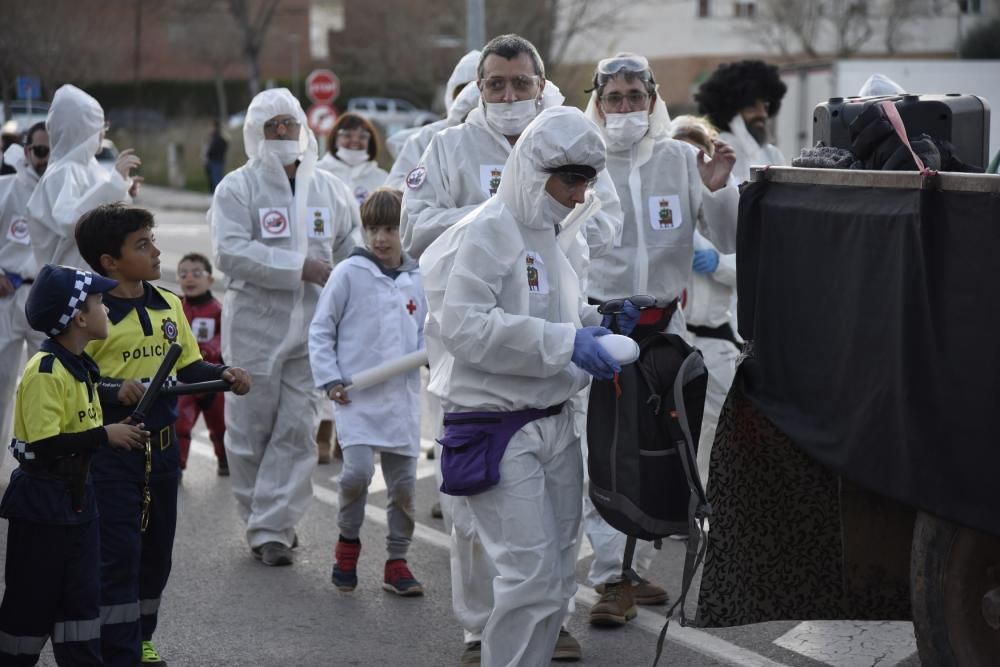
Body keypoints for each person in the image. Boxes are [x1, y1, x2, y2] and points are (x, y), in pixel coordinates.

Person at [404, 34, 622, 664]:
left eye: (588, 181)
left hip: (552, 419)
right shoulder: (487, 231)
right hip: (500, 425)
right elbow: (467, 327)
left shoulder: (554, 229)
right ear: (536, 170)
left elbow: (555, 311)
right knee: (525, 579)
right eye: (573, 181)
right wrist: (566, 341)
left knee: (554, 578)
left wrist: (599, 320)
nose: (582, 194)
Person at [581, 53, 738, 628]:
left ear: (652, 98)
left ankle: (631, 565)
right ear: (598, 101)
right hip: (601, 329)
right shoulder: (582, 160)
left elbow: (726, 236)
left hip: (664, 332)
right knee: (605, 449)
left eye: (634, 96)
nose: (625, 108)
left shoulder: (679, 159)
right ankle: (608, 577)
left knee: (655, 452)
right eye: (614, 98)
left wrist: (717, 190)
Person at [75, 203, 251, 667]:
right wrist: (115, 390)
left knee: (156, 557)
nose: (156, 252)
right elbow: (69, 376)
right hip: (113, 454)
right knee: (118, 556)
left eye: (153, 240)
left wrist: (224, 371)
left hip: (164, 455)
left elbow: (190, 364)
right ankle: (119, 650)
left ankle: (141, 636)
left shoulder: (169, 303)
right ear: (109, 262)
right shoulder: (91, 312)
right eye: (142, 244)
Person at [209, 88, 360, 568]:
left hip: (315, 329)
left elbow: (351, 245)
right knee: (251, 428)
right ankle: (258, 513)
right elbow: (229, 251)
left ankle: (274, 527)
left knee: (297, 429)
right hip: (256, 326)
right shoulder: (237, 188)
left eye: (288, 125)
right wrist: (298, 267)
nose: (282, 133)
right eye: (272, 125)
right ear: (256, 131)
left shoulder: (330, 189)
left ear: (303, 130)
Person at [0, 264, 148, 666]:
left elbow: (80, 427)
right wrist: (105, 436)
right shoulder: (46, 370)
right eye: (100, 302)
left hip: (80, 502)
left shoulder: (81, 367)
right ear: (80, 318)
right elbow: (46, 444)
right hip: (43, 505)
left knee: (81, 608)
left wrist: (119, 430)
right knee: (29, 608)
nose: (108, 310)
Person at [309, 187, 427, 597]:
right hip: (355, 396)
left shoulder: (418, 279)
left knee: (405, 488)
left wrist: (432, 356)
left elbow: (431, 332)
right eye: (373, 228)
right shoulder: (348, 273)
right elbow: (322, 330)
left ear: (404, 230)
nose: (381, 238)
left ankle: (397, 562)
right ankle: (348, 544)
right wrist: (330, 378)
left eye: (390, 228)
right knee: (357, 474)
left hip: (401, 401)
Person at [671, 115, 741, 487]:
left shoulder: (724, 200)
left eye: (697, 149)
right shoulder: (664, 205)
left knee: (713, 437)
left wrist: (718, 264)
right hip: (675, 339)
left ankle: (713, 517)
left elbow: (748, 262)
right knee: (673, 436)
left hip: (715, 342)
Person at [27, 84, 142, 270]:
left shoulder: (90, 167)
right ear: (84, 130)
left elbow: (104, 216)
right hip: (71, 285)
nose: (104, 132)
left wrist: (124, 192)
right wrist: (113, 185)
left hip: (92, 279)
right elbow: (71, 222)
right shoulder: (63, 171)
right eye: (100, 126)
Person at [0, 122, 49, 462]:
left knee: (45, 386)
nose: (45, 159)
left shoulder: (67, 190)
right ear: (27, 150)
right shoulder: (6, 187)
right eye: (40, 151)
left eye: (52, 151)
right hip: (5, 297)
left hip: (47, 299)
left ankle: (41, 467)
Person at [385, 50, 482, 189]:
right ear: (451, 92)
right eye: (462, 90)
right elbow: (394, 189)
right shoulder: (425, 139)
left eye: (478, 89)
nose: (469, 96)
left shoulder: (506, 138)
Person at [174, 252, 228, 476]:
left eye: (196, 273)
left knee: (221, 426)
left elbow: (224, 337)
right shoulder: (175, 307)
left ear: (210, 280)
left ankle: (225, 459)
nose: (189, 278)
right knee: (179, 424)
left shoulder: (218, 310)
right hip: (187, 379)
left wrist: (210, 349)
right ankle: (177, 464)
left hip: (213, 379)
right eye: (183, 274)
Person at [695, 59, 787, 183]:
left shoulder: (772, 154)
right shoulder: (714, 151)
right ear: (731, 111)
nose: (762, 114)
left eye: (765, 106)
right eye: (752, 107)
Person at [318, 112, 389, 207]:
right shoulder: (317, 173)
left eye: (362, 136)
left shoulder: (383, 179)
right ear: (335, 140)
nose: (355, 140)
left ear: (370, 143)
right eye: (347, 135)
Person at [203, 119, 228, 194]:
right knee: (214, 179)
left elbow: (212, 149)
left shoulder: (217, 138)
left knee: (216, 180)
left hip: (216, 161)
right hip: (215, 160)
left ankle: (218, 195)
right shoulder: (214, 137)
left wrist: (209, 153)